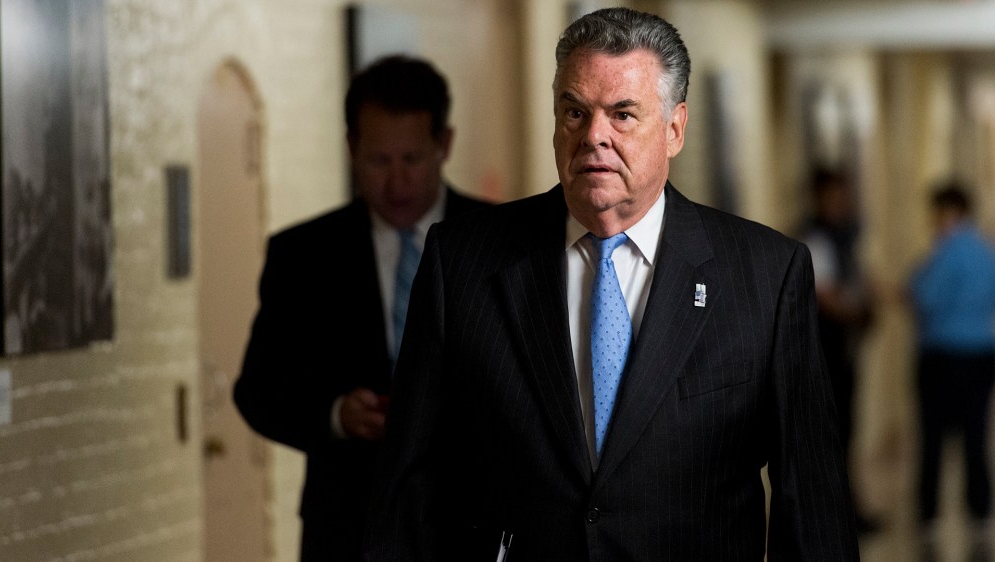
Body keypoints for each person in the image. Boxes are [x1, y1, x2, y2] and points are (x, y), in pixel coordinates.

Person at [364, 8, 859, 561]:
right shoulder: (462, 262)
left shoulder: (766, 275)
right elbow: (409, 486)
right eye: (574, 112)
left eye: (622, 114)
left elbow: (812, 504)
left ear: (674, 129)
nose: (592, 136)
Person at [234, 55, 490, 561]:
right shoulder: (303, 254)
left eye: (413, 160)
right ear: (351, 148)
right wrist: (335, 415)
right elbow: (258, 391)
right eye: (378, 161)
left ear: (445, 145)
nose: (397, 183)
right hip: (347, 526)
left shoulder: (499, 243)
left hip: (475, 522)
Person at [909, 182, 995, 553]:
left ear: (950, 211)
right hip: (981, 355)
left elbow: (925, 297)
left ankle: (929, 516)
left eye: (937, 213)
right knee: (976, 437)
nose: (934, 222)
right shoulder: (986, 252)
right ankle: (980, 512)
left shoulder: (944, 253)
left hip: (942, 357)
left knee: (932, 439)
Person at [801, 167, 878, 533]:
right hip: (822, 358)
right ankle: (832, 514)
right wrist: (859, 310)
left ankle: (847, 508)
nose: (841, 204)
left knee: (844, 434)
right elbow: (826, 296)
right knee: (827, 437)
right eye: (834, 196)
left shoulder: (841, 238)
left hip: (840, 355)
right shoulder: (815, 239)